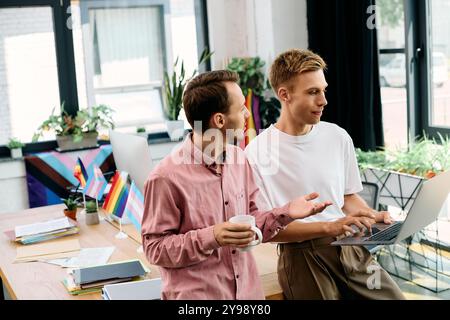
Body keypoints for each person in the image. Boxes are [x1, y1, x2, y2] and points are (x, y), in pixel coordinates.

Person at [141, 70, 333, 300]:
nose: (246, 115)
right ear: (220, 120)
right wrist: (212, 236)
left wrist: (286, 212)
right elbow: (154, 249)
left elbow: (252, 223)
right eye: (241, 108)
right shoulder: (165, 178)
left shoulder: (239, 159)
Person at [245, 49, 405, 300]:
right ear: (284, 95)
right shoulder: (256, 153)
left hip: (349, 247)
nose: (323, 101)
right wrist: (329, 227)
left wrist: (373, 217)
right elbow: (266, 229)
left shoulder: (337, 136)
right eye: (312, 92)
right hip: (301, 256)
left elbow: (347, 197)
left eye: (323, 90)